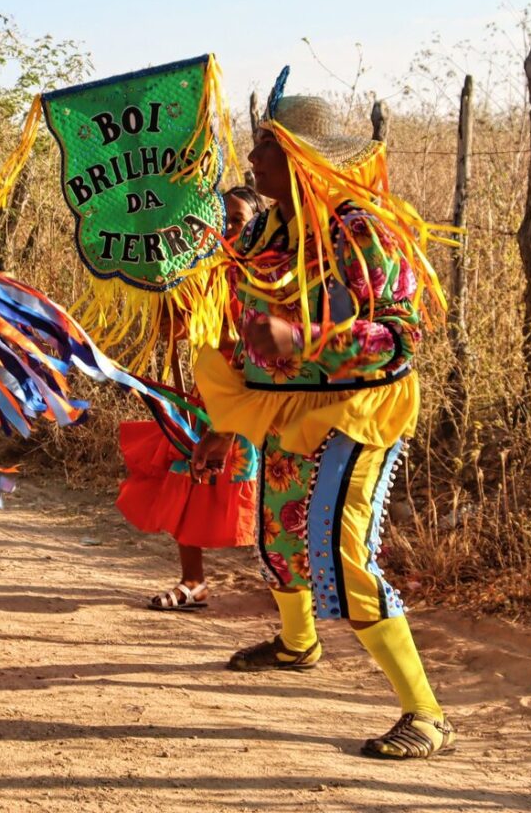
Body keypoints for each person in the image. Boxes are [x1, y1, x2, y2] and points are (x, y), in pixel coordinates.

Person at [192, 87, 456, 759]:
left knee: (339, 551)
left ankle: (427, 716)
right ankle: (296, 643)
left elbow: (402, 337)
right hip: (288, 406)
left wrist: (304, 338)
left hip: (359, 409)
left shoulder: (363, 231)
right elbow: (243, 327)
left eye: (267, 147)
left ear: (303, 158)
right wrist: (225, 411)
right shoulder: (267, 231)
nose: (251, 158)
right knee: (279, 536)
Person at [116, 185, 266, 611]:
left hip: (258, 389)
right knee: (188, 473)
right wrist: (167, 299)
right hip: (210, 394)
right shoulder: (203, 272)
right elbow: (176, 332)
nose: (228, 228)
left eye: (236, 220)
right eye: (221, 220)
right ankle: (193, 581)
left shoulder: (269, 273)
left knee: (268, 489)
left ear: (257, 223)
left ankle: (288, 589)